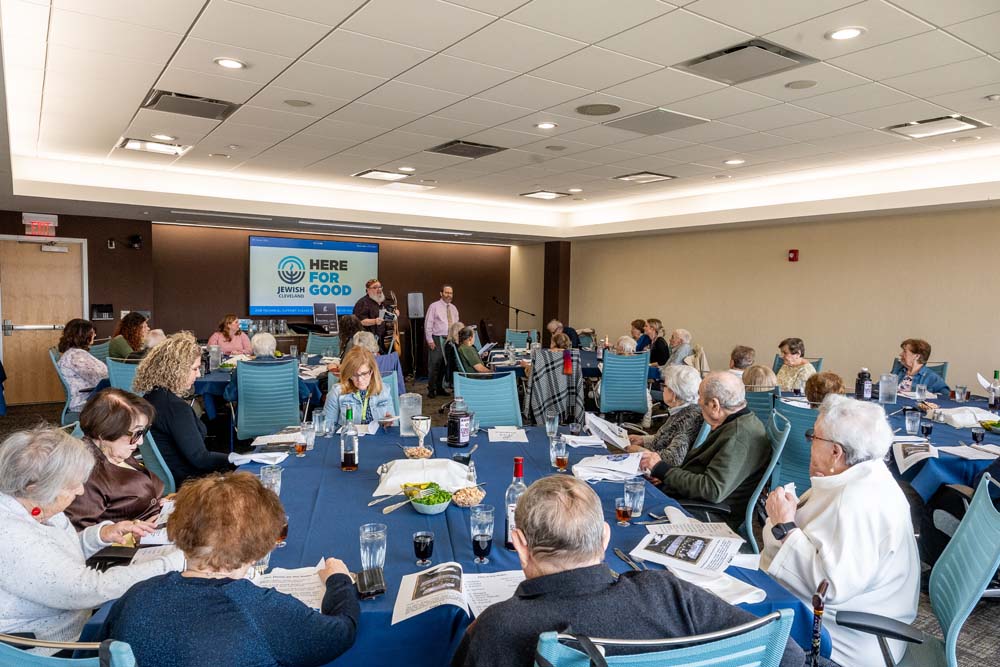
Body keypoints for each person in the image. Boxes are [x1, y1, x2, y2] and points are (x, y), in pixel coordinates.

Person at [451, 475, 805, 667]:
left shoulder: (497, 627)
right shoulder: (668, 593)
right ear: (605, 537)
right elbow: (788, 655)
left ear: (520, 545)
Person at [99, 472, 359, 667]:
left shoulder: (135, 597)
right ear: (259, 548)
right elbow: (341, 633)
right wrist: (338, 580)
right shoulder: (260, 609)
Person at [762, 395, 919, 667]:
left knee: (724, 626)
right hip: (842, 617)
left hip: (846, 640)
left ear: (836, 452)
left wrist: (784, 526)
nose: (809, 443)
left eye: (813, 437)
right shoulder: (864, 476)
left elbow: (830, 586)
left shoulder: (858, 502)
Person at [0, 427, 183, 651]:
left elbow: (54, 556)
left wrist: (99, 535)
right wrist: (171, 563)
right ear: (34, 488)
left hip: (79, 618)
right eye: (71, 486)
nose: (79, 491)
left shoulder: (36, 503)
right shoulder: (11, 535)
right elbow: (86, 589)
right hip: (48, 646)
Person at [654, 372, 771, 531]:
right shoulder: (738, 423)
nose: (698, 402)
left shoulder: (738, 436)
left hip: (709, 514)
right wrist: (667, 476)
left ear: (715, 405)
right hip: (696, 501)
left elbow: (712, 490)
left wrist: (663, 470)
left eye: (700, 397)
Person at [133, 332, 234, 487]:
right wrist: (235, 459)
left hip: (165, 481)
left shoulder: (150, 397)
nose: (198, 374)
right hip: (190, 484)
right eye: (195, 369)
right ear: (176, 370)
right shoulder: (175, 408)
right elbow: (200, 458)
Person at [64, 389, 163, 529]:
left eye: (143, 432)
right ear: (104, 432)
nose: (140, 441)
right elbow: (81, 533)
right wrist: (131, 534)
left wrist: (162, 503)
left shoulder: (114, 451)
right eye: (136, 433)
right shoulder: (85, 473)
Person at [630, 365, 704, 470]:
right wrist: (642, 440)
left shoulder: (688, 418)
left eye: (664, 386)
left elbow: (675, 458)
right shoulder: (685, 410)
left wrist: (640, 452)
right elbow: (668, 437)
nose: (663, 390)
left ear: (673, 394)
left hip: (661, 471)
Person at [223, 333, 311, 405]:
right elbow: (305, 394)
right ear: (274, 348)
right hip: (288, 419)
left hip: (248, 419)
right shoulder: (288, 368)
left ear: (253, 349)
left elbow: (229, 396)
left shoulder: (241, 369)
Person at [322, 347, 394, 429]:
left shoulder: (384, 390)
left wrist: (389, 422)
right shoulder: (337, 392)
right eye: (354, 375)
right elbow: (327, 426)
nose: (360, 380)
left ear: (372, 371)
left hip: (379, 436)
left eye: (364, 373)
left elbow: (394, 424)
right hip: (349, 435)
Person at [56, 318, 108, 412]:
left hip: (90, 397)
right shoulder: (76, 357)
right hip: (86, 402)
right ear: (83, 336)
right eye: (92, 333)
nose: (95, 335)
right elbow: (100, 379)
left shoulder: (75, 353)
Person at [425, 284, 459, 398]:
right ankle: (431, 389)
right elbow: (428, 323)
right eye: (446, 292)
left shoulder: (453, 308)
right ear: (441, 293)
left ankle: (439, 388)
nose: (449, 295)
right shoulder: (434, 306)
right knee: (435, 364)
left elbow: (456, 325)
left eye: (451, 293)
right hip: (437, 338)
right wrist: (430, 340)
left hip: (449, 340)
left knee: (445, 365)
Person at [353, 278, 397, 353]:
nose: (379, 289)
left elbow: (388, 314)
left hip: (383, 339)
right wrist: (375, 321)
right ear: (368, 290)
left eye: (380, 287)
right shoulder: (362, 303)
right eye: (375, 287)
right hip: (368, 342)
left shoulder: (383, 301)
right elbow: (360, 321)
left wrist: (395, 313)